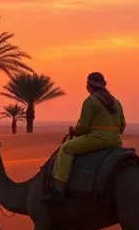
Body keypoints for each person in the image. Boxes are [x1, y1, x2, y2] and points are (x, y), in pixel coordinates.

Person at [43, 72, 125, 202]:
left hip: (98, 139)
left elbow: (84, 128)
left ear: (89, 85)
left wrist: (74, 130)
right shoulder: (116, 102)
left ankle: (59, 189)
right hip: (116, 140)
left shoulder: (91, 100)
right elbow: (122, 127)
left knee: (66, 149)